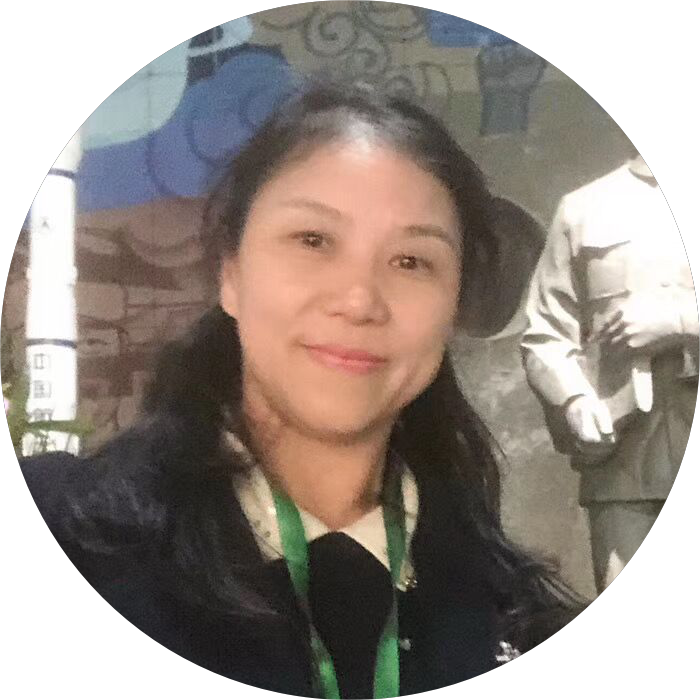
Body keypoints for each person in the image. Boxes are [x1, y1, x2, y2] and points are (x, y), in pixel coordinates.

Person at [21, 81, 583, 697]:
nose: (359, 301)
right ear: (230, 273)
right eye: (312, 240)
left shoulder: (512, 614)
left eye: (411, 261)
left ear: (452, 308)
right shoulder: (73, 533)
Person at [520, 155, 698, 594]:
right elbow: (546, 334)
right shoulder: (584, 209)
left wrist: (679, 321)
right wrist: (574, 401)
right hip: (626, 464)